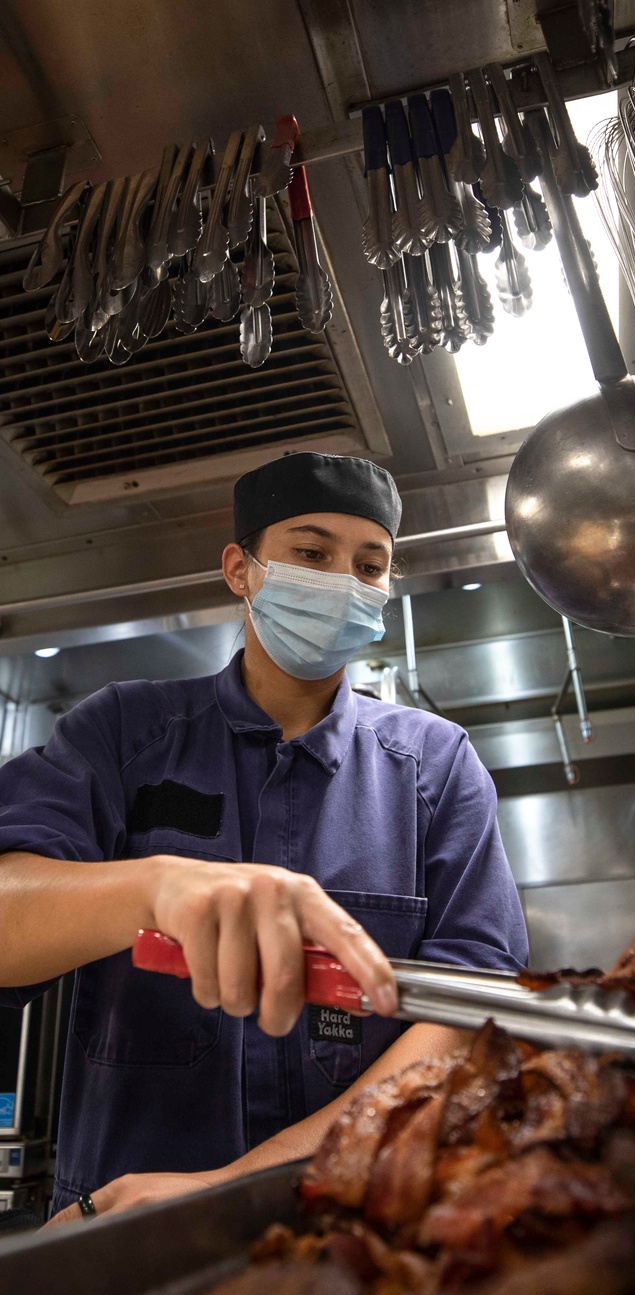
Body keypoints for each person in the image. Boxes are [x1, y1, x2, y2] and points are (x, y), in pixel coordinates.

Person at [0, 452, 528, 1223]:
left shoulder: (434, 765)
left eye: (369, 565)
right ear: (240, 569)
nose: (343, 582)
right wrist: (154, 888)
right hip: (124, 1218)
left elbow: (475, 1010)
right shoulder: (124, 733)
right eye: (311, 554)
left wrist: (244, 1182)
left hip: (359, 1215)